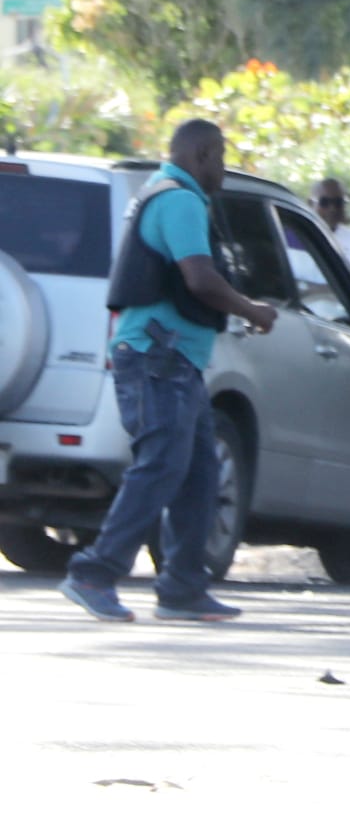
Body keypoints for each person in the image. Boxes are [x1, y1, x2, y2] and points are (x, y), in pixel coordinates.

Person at [58, 119, 279, 623]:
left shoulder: (158, 192)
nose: (222, 168)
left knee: (200, 472)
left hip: (175, 359)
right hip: (160, 358)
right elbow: (199, 280)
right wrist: (254, 310)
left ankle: (182, 585)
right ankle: (94, 571)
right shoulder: (179, 198)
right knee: (161, 464)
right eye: (220, 157)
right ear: (201, 154)